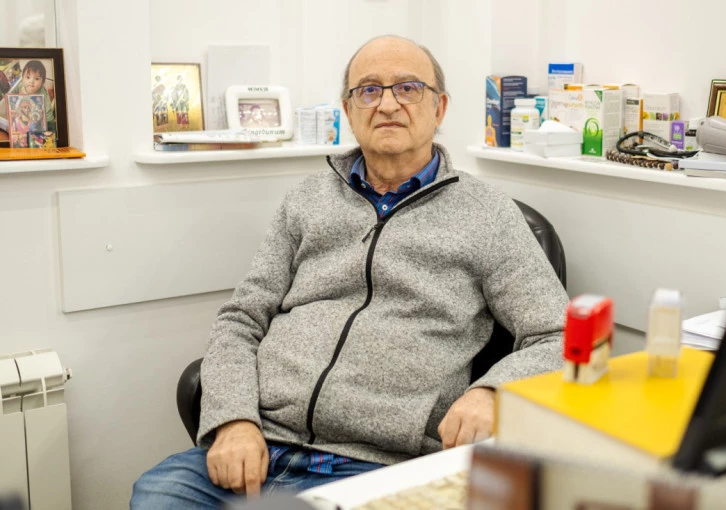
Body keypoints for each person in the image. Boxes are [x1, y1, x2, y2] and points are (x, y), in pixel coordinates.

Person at [131, 35, 569, 508]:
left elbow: (561, 336)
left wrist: (492, 393)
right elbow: (241, 319)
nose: (387, 104)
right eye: (369, 90)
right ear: (348, 109)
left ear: (439, 108)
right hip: (261, 441)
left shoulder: (488, 215)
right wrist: (233, 421)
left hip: (381, 464)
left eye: (408, 88)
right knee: (156, 496)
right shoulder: (306, 200)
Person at [7, 60, 54, 129]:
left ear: (42, 82)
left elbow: (48, 112)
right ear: (23, 78)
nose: (31, 81)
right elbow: (11, 95)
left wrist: (49, 124)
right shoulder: (21, 85)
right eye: (28, 77)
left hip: (35, 117)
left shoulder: (43, 93)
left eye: (37, 79)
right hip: (21, 112)